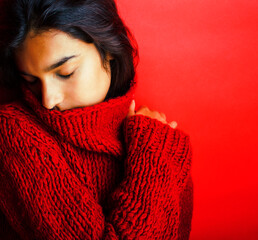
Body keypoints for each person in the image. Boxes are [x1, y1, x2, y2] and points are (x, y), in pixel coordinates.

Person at [0, 0, 193, 239]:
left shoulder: (157, 143)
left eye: (65, 72)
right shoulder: (13, 133)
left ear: (108, 48)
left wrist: (152, 148)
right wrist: (154, 155)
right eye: (30, 80)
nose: (48, 100)